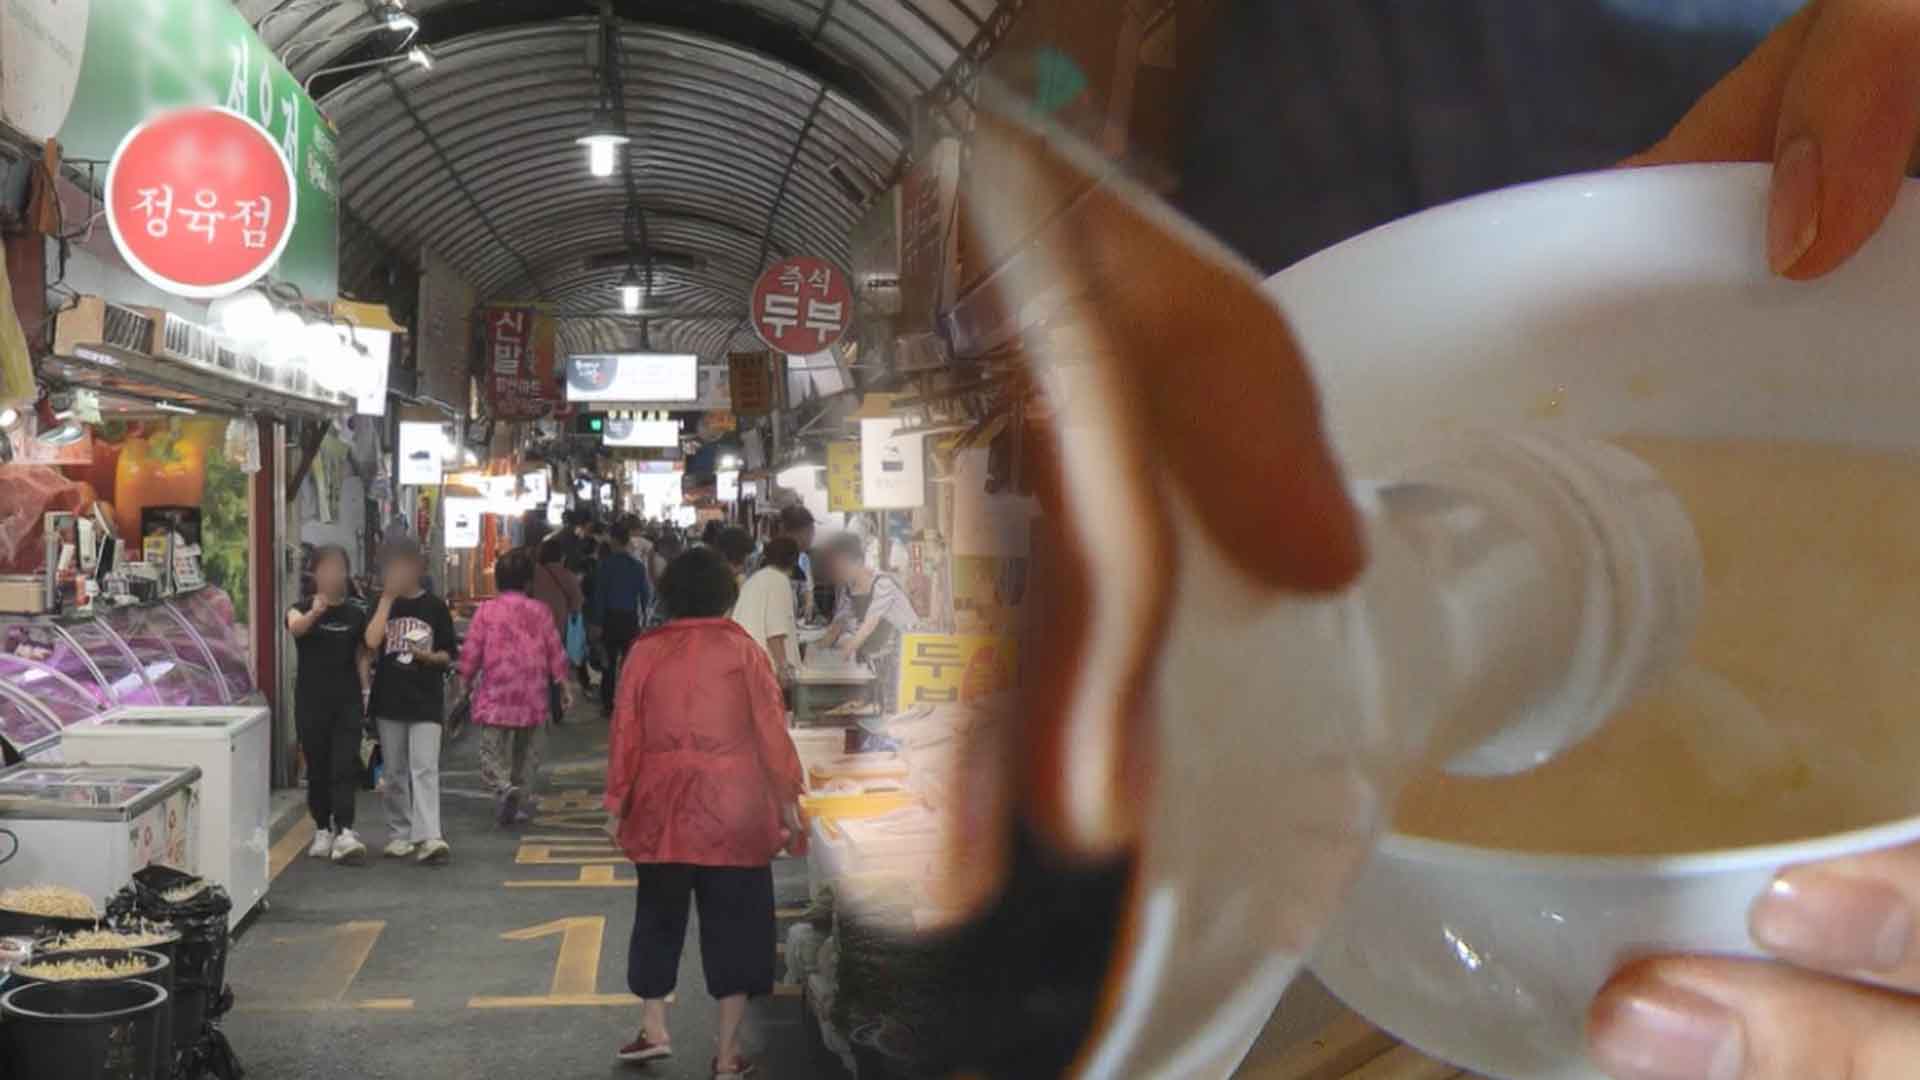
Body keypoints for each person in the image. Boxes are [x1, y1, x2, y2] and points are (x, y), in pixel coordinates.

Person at [604, 547, 804, 1075]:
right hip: (733, 808)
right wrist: (788, 798)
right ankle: (728, 1054)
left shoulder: (645, 652)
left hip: (660, 804)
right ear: (725, 595)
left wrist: (615, 803)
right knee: (735, 927)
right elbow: (770, 729)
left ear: (668, 597)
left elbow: (625, 732)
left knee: (657, 916)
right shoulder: (743, 650)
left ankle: (653, 1028)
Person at [459, 549, 574, 826]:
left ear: (498, 581)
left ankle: (502, 786)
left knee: (490, 751)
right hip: (532, 695)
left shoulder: (487, 611)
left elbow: (472, 650)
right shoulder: (540, 611)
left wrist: (464, 683)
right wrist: (564, 685)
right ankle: (517, 798)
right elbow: (554, 650)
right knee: (526, 755)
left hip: (497, 694)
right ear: (528, 582)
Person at [364, 537, 458, 864]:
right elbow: (372, 641)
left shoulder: (435, 607)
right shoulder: (380, 603)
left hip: (426, 698)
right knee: (394, 771)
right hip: (389, 699)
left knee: (425, 768)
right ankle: (399, 833)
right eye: (394, 565)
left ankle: (430, 835)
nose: (400, 571)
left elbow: (449, 654)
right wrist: (387, 600)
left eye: (405, 564)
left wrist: (431, 657)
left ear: (418, 567)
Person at [286, 545, 371, 864]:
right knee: (318, 767)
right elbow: (296, 628)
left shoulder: (356, 613)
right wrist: (316, 612)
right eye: (327, 568)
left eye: (339, 568)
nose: (333, 574)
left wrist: (365, 693)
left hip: (346, 699)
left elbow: (362, 654)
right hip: (311, 699)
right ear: (315, 573)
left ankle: (345, 830)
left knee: (343, 765)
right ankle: (322, 827)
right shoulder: (299, 608)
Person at [820, 532, 920, 712]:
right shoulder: (849, 588)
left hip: (907, 649)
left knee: (896, 706)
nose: (839, 572)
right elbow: (838, 624)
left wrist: (844, 653)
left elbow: (869, 625)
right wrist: (818, 654)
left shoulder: (883, 584)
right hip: (879, 649)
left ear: (858, 562)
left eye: (843, 566)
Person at [589, 521, 653, 711]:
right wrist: (643, 623)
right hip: (630, 619)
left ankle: (608, 704)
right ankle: (629, 702)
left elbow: (599, 597)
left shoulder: (605, 566)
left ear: (614, 540)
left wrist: (596, 623)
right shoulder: (637, 567)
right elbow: (646, 596)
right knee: (629, 663)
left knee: (608, 663)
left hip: (610, 619)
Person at [732, 537, 800, 681]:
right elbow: (775, 630)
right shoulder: (778, 580)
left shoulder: (757, 578)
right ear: (794, 561)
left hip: (745, 663)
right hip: (761, 670)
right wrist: (783, 668)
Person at [776, 505, 818, 622]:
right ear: (799, 533)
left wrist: (808, 605)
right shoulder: (771, 560)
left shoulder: (803, 558)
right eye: (810, 531)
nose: (813, 536)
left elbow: (808, 588)